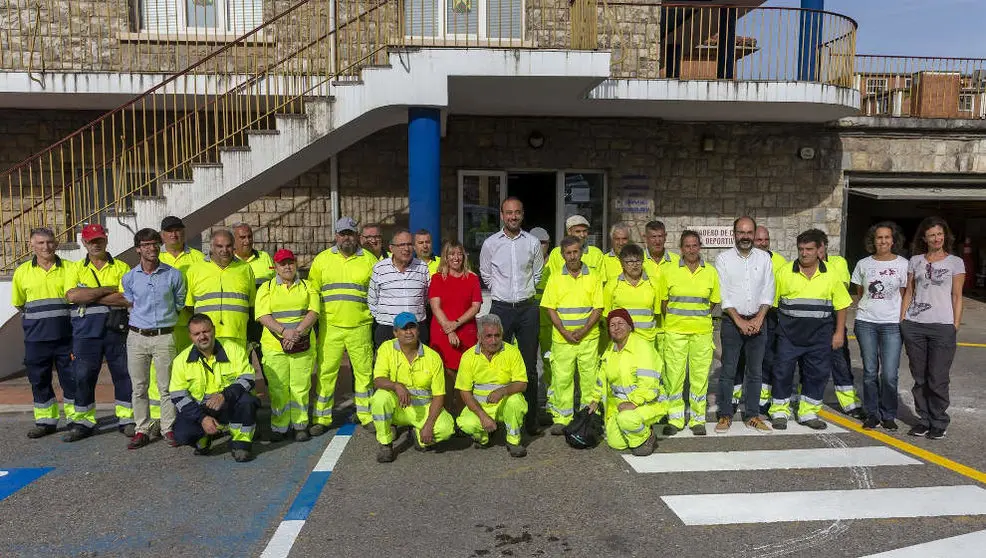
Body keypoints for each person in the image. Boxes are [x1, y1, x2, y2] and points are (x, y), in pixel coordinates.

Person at [769, 229, 851, 430]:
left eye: (809, 249)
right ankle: (779, 411)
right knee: (782, 372)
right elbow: (772, 304)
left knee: (817, 374)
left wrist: (839, 333)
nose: (804, 253)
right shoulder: (784, 272)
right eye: (801, 249)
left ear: (818, 250)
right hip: (789, 335)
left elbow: (841, 304)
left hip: (820, 336)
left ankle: (808, 412)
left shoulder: (831, 274)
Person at [62, 224, 133, 442]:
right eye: (91, 241)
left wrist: (89, 294)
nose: (96, 244)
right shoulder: (75, 268)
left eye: (99, 240)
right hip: (85, 333)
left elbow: (127, 298)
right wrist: (106, 290)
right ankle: (83, 422)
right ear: (84, 243)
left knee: (123, 375)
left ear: (106, 240)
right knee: (83, 377)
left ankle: (127, 419)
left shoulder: (122, 266)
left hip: (116, 330)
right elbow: (72, 296)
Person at [480, 197, 544, 436]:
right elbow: (486, 274)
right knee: (498, 364)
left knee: (529, 367)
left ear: (522, 214)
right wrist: (501, 294)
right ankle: (497, 417)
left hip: (528, 309)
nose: (513, 217)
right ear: (501, 215)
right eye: (509, 213)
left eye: (517, 212)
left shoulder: (533, 242)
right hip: (501, 309)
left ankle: (530, 420)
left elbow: (537, 274)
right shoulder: (490, 244)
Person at [308, 217, 377, 433]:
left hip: (360, 325)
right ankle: (321, 418)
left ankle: (366, 415)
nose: (346, 237)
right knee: (326, 373)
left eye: (350, 233)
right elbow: (312, 292)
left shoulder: (369, 260)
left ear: (357, 235)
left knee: (364, 373)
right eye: (342, 233)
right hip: (330, 327)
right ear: (336, 235)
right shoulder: (321, 260)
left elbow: (376, 294)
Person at [121, 228, 187, 449]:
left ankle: (168, 428)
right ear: (138, 249)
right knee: (139, 386)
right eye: (146, 245)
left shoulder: (174, 275)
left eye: (155, 244)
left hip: (164, 336)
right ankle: (142, 429)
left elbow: (179, 303)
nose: (152, 248)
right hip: (137, 336)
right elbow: (130, 303)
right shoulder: (129, 277)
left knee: (166, 386)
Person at [900, 216, 964, 440]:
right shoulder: (915, 261)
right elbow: (909, 292)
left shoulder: (955, 262)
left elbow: (957, 296)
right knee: (920, 377)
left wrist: (954, 324)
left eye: (939, 234)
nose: (937, 238)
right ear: (924, 239)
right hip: (915, 325)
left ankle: (939, 421)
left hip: (943, 327)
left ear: (945, 236)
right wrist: (903, 320)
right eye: (932, 235)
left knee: (938, 377)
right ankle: (923, 419)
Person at [170, 314, 260, 462]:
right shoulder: (181, 360)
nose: (202, 336)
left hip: (228, 402)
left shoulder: (233, 349)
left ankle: (241, 443)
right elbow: (177, 395)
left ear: (214, 330)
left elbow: (248, 378)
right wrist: (202, 418)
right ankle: (204, 438)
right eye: (197, 334)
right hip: (201, 408)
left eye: (206, 331)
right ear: (190, 337)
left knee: (247, 401)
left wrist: (224, 395)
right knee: (182, 434)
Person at [11, 227, 74, 439]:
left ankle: (77, 420)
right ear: (31, 245)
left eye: (49, 242)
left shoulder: (70, 268)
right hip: (36, 339)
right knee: (39, 380)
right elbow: (20, 303)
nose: (45, 247)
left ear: (55, 243)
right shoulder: (22, 272)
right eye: (40, 243)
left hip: (67, 337)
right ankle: (46, 421)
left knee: (72, 379)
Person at [714, 217, 774, 433]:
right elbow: (723, 294)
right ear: (734, 234)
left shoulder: (764, 258)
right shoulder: (723, 259)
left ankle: (752, 416)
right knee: (728, 371)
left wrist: (759, 318)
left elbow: (769, 290)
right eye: (741, 232)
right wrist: (739, 321)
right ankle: (725, 415)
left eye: (749, 232)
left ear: (754, 233)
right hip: (732, 322)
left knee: (755, 372)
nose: (745, 236)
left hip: (759, 321)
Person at [370, 312, 455, 463]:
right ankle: (385, 444)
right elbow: (378, 380)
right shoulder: (386, 348)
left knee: (447, 428)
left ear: (418, 330)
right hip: (398, 408)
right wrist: (396, 385)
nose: (409, 332)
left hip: (424, 408)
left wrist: (429, 425)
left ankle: (419, 436)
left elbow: (439, 395)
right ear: (395, 332)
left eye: (412, 327)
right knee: (379, 398)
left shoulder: (432, 357)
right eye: (404, 329)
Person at [540, 236, 604, 434]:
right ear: (562, 255)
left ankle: (588, 417)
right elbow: (550, 308)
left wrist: (584, 330)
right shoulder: (556, 277)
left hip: (588, 338)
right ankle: (562, 418)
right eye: (568, 253)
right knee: (562, 379)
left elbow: (598, 308)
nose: (573, 256)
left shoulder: (593, 276)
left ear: (582, 252)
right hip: (562, 339)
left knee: (589, 379)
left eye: (576, 251)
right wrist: (564, 331)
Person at [659, 231, 720, 436]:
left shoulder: (710, 272)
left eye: (695, 245)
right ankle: (675, 419)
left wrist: (697, 317)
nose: (691, 250)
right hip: (675, 332)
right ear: (681, 248)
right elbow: (664, 302)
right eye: (687, 246)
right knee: (674, 377)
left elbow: (713, 302)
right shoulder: (669, 271)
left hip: (701, 333)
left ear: (699, 247)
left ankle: (697, 419)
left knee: (699, 377)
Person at [255, 249, 320, 442]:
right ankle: (280, 426)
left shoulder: (308, 286)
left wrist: (296, 333)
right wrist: (285, 332)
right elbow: (263, 316)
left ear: (296, 263)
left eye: (290, 262)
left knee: (300, 386)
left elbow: (313, 312)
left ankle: (300, 425)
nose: (287, 266)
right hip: (274, 347)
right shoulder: (266, 288)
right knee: (278, 387)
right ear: (275, 267)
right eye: (282, 264)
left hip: (302, 344)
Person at [851, 221, 909, 431]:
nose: (883, 241)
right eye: (879, 237)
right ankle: (872, 413)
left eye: (887, 237)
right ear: (873, 241)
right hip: (866, 322)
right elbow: (860, 293)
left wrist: (899, 317)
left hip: (892, 324)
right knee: (869, 372)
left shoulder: (903, 264)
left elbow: (904, 295)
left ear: (893, 240)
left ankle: (889, 414)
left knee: (889, 374)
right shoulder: (863, 264)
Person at [586, 309, 666, 455]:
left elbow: (649, 384)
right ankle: (634, 429)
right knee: (615, 443)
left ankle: (647, 436)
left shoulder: (642, 347)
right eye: (612, 325)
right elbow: (601, 378)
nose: (616, 328)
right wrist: (595, 399)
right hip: (621, 406)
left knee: (627, 419)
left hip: (648, 403)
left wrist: (634, 403)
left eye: (621, 323)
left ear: (630, 326)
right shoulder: (611, 348)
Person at [153, 215, 205, 429]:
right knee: (159, 372)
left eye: (178, 230)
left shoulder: (198, 258)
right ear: (162, 235)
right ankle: (158, 417)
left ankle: (190, 412)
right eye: (169, 231)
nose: (174, 234)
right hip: (161, 327)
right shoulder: (155, 257)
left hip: (188, 326)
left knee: (190, 369)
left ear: (184, 232)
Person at [455, 314, 529, 458]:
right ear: (479, 337)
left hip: (504, 405)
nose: (494, 341)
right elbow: (464, 392)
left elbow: (522, 384)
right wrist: (483, 416)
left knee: (516, 402)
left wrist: (503, 391)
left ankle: (513, 441)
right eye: (488, 336)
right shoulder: (468, 357)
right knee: (466, 423)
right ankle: (484, 437)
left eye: (497, 335)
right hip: (480, 407)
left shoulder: (512, 352)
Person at [427, 240, 482, 414]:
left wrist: (456, 325)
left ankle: (463, 414)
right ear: (445, 257)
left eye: (459, 254)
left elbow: (476, 306)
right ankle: (444, 413)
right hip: (441, 332)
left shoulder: (472, 278)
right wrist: (449, 329)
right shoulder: (437, 278)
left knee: (464, 375)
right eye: (452, 254)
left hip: (466, 331)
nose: (456, 258)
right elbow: (435, 307)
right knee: (443, 375)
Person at [814, 229, 863, 418]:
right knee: (810, 364)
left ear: (825, 246)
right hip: (811, 321)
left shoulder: (837, 262)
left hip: (833, 319)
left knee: (840, 362)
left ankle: (850, 403)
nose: (816, 251)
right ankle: (808, 400)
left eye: (819, 246)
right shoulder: (802, 266)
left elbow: (841, 289)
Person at [184, 229, 256, 344]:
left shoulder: (245, 269)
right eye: (219, 246)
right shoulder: (195, 270)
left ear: (233, 247)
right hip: (206, 337)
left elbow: (251, 304)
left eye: (228, 246)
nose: (224, 250)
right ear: (211, 247)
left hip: (237, 335)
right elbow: (189, 306)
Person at [368, 229, 431, 348]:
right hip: (388, 329)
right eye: (402, 245)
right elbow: (372, 300)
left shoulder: (422, 267)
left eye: (409, 244)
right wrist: (386, 318)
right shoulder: (380, 268)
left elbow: (426, 298)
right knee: (388, 366)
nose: (406, 249)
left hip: (416, 328)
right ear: (391, 248)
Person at [751, 225, 787, 412]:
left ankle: (764, 398)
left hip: (771, 314)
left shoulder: (780, 261)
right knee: (748, 358)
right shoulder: (746, 261)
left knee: (769, 357)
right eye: (759, 240)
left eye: (766, 240)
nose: (763, 243)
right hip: (749, 313)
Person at [232, 223, 275, 368]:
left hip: (263, 320)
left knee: (268, 361)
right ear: (234, 241)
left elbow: (276, 285)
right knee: (243, 363)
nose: (247, 241)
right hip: (240, 320)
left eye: (249, 236)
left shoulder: (265, 258)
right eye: (242, 237)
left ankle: (272, 389)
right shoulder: (229, 262)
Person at [603, 244, 659, 343]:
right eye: (630, 262)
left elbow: (657, 314)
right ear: (622, 264)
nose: (635, 265)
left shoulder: (653, 283)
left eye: (638, 261)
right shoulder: (611, 285)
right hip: (621, 341)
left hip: (647, 340)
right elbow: (606, 316)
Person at [642, 220, 679, 358]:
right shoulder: (638, 261)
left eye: (660, 236)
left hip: (669, 322)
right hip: (645, 322)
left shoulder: (676, 262)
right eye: (653, 237)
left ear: (665, 237)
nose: (657, 241)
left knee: (669, 363)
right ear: (645, 238)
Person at [530, 226, 554, 420]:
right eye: (536, 242)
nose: (540, 246)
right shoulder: (525, 262)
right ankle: (533, 403)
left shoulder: (554, 265)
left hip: (548, 323)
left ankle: (548, 403)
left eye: (543, 242)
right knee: (529, 363)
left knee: (548, 363)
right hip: (528, 321)